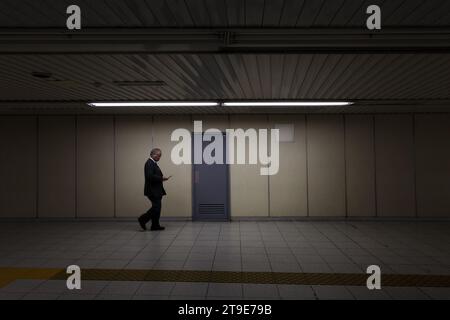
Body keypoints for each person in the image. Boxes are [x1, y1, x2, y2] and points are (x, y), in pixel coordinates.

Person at [138, 148, 171, 231]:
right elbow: (149, 176)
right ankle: (143, 219)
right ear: (154, 155)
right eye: (159, 156)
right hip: (152, 190)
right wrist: (161, 178)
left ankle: (155, 225)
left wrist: (161, 178)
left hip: (156, 190)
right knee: (156, 207)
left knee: (157, 208)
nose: (160, 158)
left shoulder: (153, 163)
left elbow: (153, 175)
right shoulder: (149, 163)